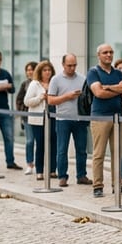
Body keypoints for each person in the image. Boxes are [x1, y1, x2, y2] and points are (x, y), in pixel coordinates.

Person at [86, 44, 122, 198]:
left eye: (111, 52)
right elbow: (98, 93)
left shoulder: (119, 73)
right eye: (105, 52)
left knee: (117, 153)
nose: (109, 55)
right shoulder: (93, 72)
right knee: (99, 153)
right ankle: (97, 186)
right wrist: (114, 89)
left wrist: (107, 87)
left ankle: (117, 185)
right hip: (100, 117)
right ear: (98, 55)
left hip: (118, 116)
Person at [48, 54, 90, 188]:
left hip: (80, 119)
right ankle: (62, 177)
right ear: (63, 65)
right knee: (62, 149)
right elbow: (50, 100)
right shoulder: (55, 80)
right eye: (69, 65)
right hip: (63, 119)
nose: (72, 68)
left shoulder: (83, 78)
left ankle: (81, 175)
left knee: (82, 149)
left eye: (74, 65)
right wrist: (67, 96)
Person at [24, 60, 55, 180]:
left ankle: (52, 170)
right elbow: (27, 101)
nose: (47, 72)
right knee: (40, 144)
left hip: (53, 116)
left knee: (53, 142)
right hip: (38, 119)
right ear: (40, 72)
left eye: (49, 70)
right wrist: (40, 98)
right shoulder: (34, 84)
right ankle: (39, 171)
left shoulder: (54, 82)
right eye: (45, 70)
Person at [17, 61, 38, 171]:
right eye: (28, 70)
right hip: (27, 117)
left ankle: (39, 164)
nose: (30, 72)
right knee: (30, 140)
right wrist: (23, 111)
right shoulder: (24, 84)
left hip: (39, 116)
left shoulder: (40, 83)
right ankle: (30, 164)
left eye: (32, 69)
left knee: (40, 141)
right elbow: (19, 100)